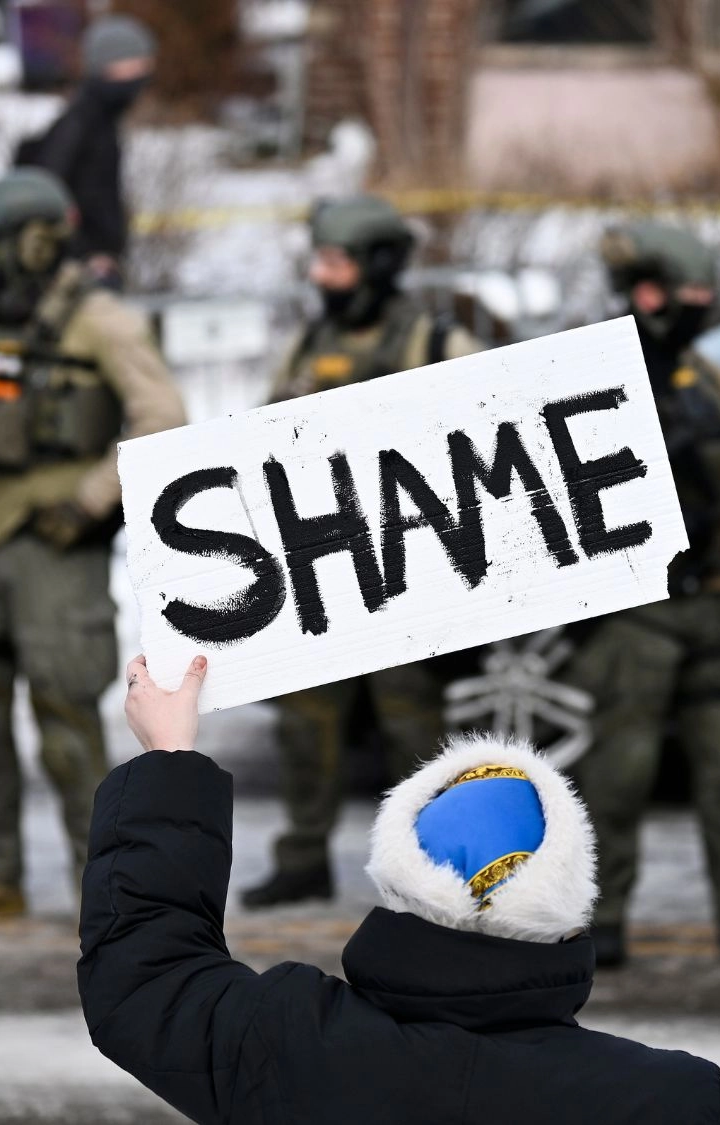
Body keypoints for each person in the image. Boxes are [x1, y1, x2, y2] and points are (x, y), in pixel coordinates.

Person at [78, 654, 720, 1124]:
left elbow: (147, 976)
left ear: (397, 882)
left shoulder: (289, 1044)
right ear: (570, 910)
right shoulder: (678, 1102)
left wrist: (170, 757)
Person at [0, 169, 186, 925]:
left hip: (56, 547)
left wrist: (90, 498)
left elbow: (161, 418)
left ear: (33, 241)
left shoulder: (100, 321)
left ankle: (105, 893)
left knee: (67, 724)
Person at [241, 194, 483, 909]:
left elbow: (487, 436)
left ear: (376, 265)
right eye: (318, 262)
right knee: (305, 722)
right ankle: (303, 855)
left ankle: (431, 865)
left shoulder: (435, 342)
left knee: (411, 724)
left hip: (404, 566)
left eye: (336, 262)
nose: (322, 276)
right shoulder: (307, 343)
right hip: (323, 566)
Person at [564, 222, 720, 970]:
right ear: (649, 293)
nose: (701, 305)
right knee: (618, 775)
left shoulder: (711, 382)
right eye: (689, 293)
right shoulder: (586, 377)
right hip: (636, 614)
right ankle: (603, 915)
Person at [16, 14, 155, 286]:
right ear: (110, 64)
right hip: (82, 270)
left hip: (94, 265)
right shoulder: (82, 122)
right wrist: (84, 254)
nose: (145, 70)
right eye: (137, 62)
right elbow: (46, 192)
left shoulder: (102, 119)